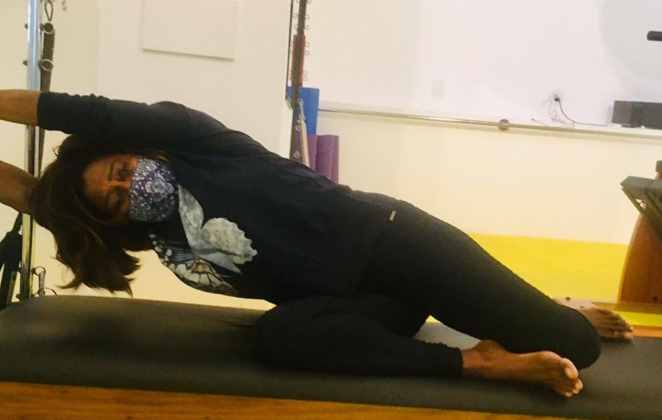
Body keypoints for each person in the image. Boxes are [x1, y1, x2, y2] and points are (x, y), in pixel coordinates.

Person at [0, 90, 632, 399]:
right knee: (279, 338)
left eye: (121, 170)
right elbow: (33, 196)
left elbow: (86, 113)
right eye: (114, 198)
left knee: (575, 346)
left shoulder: (200, 143)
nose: (126, 188)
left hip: (395, 243)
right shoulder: (149, 228)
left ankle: (559, 306)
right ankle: (481, 362)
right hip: (355, 306)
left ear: (136, 150)